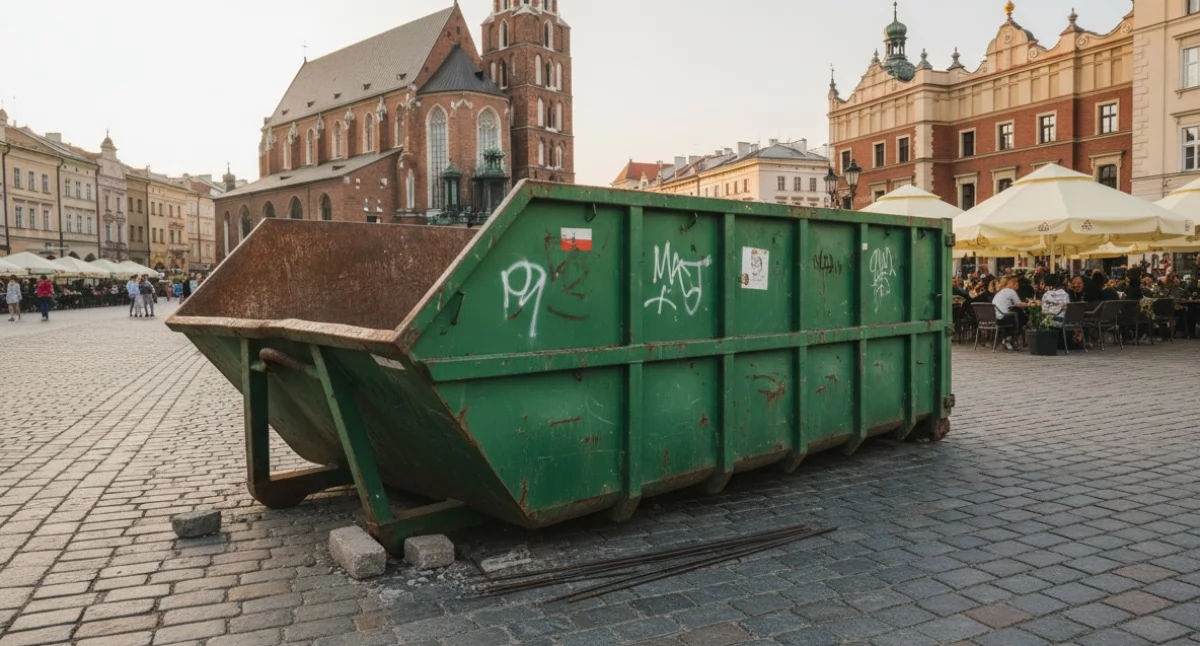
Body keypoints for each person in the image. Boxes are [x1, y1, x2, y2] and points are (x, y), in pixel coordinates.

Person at [993, 277, 1029, 351]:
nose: (1018, 287)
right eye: (1017, 285)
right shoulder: (1011, 292)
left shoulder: (1000, 292)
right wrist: (1029, 304)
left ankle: (1007, 337)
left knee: (1016, 312)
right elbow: (1019, 304)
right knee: (1019, 313)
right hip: (1004, 318)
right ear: (1013, 285)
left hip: (995, 318)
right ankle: (1012, 336)